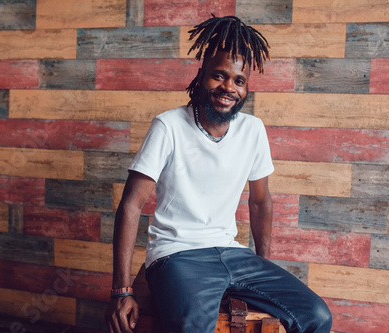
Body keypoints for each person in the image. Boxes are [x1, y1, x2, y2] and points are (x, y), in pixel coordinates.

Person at [106, 15, 332, 333]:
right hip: (177, 254)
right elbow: (131, 205)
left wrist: (263, 260)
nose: (229, 87)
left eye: (239, 80)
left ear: (247, 87)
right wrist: (122, 290)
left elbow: (260, 201)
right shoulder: (168, 126)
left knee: (317, 316)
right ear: (201, 77)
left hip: (233, 253)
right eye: (219, 76)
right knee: (191, 325)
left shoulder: (253, 130)